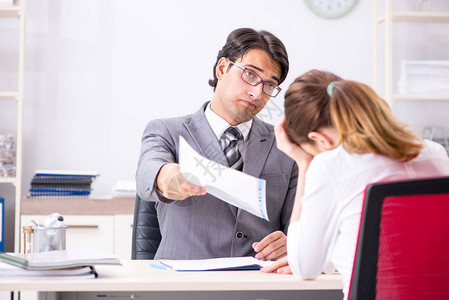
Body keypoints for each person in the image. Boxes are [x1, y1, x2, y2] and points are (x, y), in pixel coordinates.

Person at [262, 69, 449, 299]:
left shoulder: (330, 165)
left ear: (320, 139)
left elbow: (304, 266)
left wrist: (305, 164)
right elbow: (407, 249)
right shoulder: (435, 153)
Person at [136, 28, 298, 260]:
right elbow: (147, 172)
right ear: (222, 68)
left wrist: (291, 242)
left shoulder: (285, 144)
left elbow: (301, 228)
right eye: (250, 75)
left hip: (257, 286)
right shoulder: (167, 131)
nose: (256, 92)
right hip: (183, 286)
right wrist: (166, 175)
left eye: (269, 85)